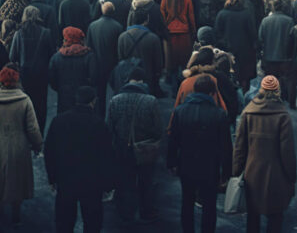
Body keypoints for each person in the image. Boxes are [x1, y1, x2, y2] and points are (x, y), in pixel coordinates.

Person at [0, 65, 42, 229]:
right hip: (19, 143)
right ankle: (16, 213)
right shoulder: (24, 100)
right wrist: (37, 145)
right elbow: (32, 128)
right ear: (16, 80)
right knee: (17, 179)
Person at [44, 86, 114, 233]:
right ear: (93, 102)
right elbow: (107, 156)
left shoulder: (59, 121)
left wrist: (52, 177)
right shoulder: (99, 124)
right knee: (92, 222)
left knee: (64, 222)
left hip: (65, 179)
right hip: (92, 182)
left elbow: (49, 151)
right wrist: (108, 185)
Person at [168, 75, 232, 233]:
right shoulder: (219, 115)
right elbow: (226, 146)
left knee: (187, 202)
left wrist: (172, 163)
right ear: (212, 93)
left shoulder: (179, 111)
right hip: (210, 167)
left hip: (186, 165)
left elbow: (173, 140)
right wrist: (227, 172)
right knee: (209, 205)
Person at [233, 76, 297, 233]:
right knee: (275, 218)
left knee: (252, 218)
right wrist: (291, 176)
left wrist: (235, 171)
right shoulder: (283, 116)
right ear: (278, 91)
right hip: (277, 176)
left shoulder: (248, 113)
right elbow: (287, 152)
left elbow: (240, 147)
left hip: (252, 173)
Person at [107, 67, 163, 225]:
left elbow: (109, 128)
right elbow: (158, 129)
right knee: (146, 181)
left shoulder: (115, 100)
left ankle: (125, 212)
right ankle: (146, 211)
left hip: (122, 148)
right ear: (143, 82)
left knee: (125, 181)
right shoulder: (150, 101)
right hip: (145, 149)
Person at [9, 6, 56, 133]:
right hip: (41, 75)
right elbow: (52, 55)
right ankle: (39, 134)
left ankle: (27, 134)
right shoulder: (46, 32)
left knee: (25, 105)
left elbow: (12, 56)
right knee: (40, 106)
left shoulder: (19, 33)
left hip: (24, 76)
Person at [49, 27, 99, 115]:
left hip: (64, 97)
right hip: (83, 98)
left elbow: (52, 80)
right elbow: (94, 78)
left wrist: (61, 88)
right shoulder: (89, 56)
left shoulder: (57, 57)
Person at [118, 9, 164, 97]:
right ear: (146, 20)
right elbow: (158, 61)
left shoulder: (122, 37)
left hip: (127, 76)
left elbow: (120, 58)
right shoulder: (153, 38)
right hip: (147, 77)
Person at [258, 0, 295, 106]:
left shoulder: (265, 21)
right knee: (285, 80)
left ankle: (270, 101)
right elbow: (292, 39)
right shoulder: (289, 21)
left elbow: (260, 38)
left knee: (270, 81)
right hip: (284, 57)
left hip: (269, 57)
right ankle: (285, 100)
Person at [161, 0, 197, 83]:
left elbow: (162, 16)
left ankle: (173, 86)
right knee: (184, 61)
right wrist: (194, 31)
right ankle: (183, 84)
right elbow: (191, 17)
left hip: (170, 33)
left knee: (171, 62)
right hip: (184, 34)